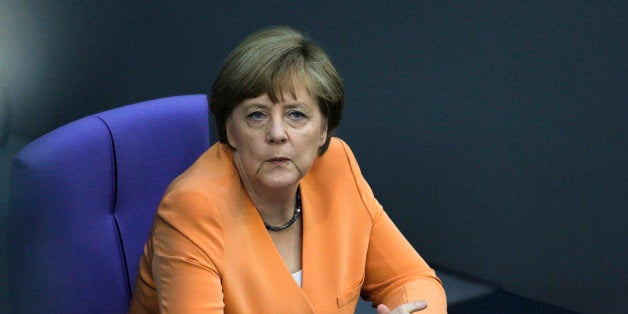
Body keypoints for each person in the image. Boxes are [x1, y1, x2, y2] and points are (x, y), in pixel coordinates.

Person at [129, 26, 446, 313]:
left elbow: (409, 278)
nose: (277, 133)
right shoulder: (193, 207)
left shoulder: (336, 166)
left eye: (296, 115)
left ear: (323, 130)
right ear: (230, 130)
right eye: (257, 115)